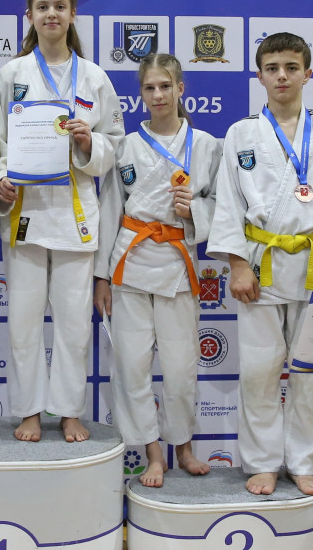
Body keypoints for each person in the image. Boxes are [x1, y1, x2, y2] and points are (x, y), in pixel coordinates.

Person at [208, 33, 313, 497]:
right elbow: (228, 203)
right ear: (259, 76)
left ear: (307, 73)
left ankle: (305, 462)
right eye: (272, 68)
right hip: (260, 265)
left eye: (291, 67)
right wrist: (236, 264)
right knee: (259, 371)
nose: (282, 76)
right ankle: (263, 462)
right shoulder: (241, 134)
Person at [0, 0, 124, 443]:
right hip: (25, 212)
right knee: (22, 322)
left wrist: (89, 143)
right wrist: (0, 179)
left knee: (74, 324)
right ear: (30, 16)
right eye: (43, 7)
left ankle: (69, 411)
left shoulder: (94, 77)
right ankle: (30, 411)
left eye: (60, 6)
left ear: (73, 14)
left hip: (75, 214)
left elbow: (115, 145)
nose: (52, 14)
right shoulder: (12, 73)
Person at [93, 54, 220, 486]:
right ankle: (152, 453)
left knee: (181, 368)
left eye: (166, 86)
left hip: (177, 262)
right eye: (149, 88)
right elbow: (110, 210)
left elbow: (223, 205)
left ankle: (183, 447)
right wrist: (101, 276)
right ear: (141, 94)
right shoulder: (126, 146)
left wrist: (195, 209)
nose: (158, 95)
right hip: (130, 264)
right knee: (132, 366)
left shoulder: (206, 145)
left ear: (181, 88)